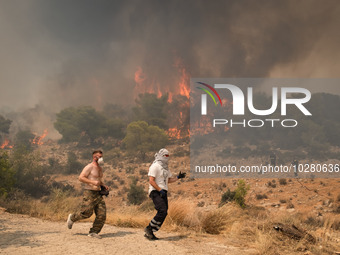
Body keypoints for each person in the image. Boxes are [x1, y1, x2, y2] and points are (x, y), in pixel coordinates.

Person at [144, 148, 186, 240]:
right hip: (156, 191)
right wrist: (159, 190)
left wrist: (178, 177)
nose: (166, 157)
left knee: (164, 212)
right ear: (160, 155)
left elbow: (168, 180)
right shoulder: (155, 166)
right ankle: (149, 229)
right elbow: (151, 181)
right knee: (162, 210)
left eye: (168, 156)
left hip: (163, 191)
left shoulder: (165, 168)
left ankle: (150, 230)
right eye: (165, 156)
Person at [67, 150, 108, 239]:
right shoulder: (89, 167)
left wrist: (103, 185)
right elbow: (81, 178)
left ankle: (93, 232)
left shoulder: (100, 168)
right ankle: (72, 218)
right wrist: (92, 182)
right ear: (94, 157)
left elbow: (98, 180)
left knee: (102, 214)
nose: (101, 158)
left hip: (98, 194)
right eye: (99, 156)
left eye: (101, 156)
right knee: (86, 213)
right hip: (89, 193)